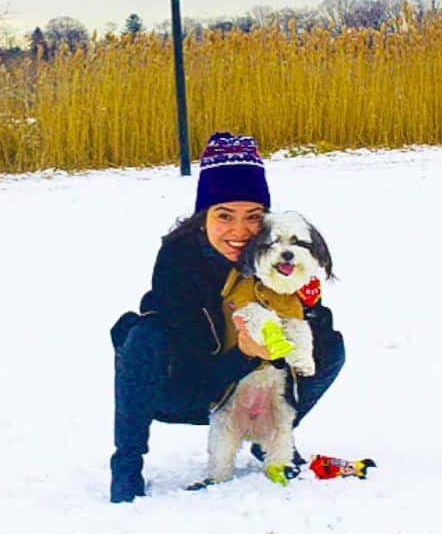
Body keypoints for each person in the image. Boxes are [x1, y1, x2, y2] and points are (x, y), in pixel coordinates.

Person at [110, 132, 345, 502]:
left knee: (330, 345)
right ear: (204, 217)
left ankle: (271, 436)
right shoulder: (177, 259)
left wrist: (304, 305)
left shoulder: (278, 254)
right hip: (189, 391)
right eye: (224, 216)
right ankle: (126, 465)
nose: (239, 231)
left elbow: (314, 329)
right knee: (143, 337)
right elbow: (190, 362)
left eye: (253, 218)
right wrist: (248, 353)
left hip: (259, 388)